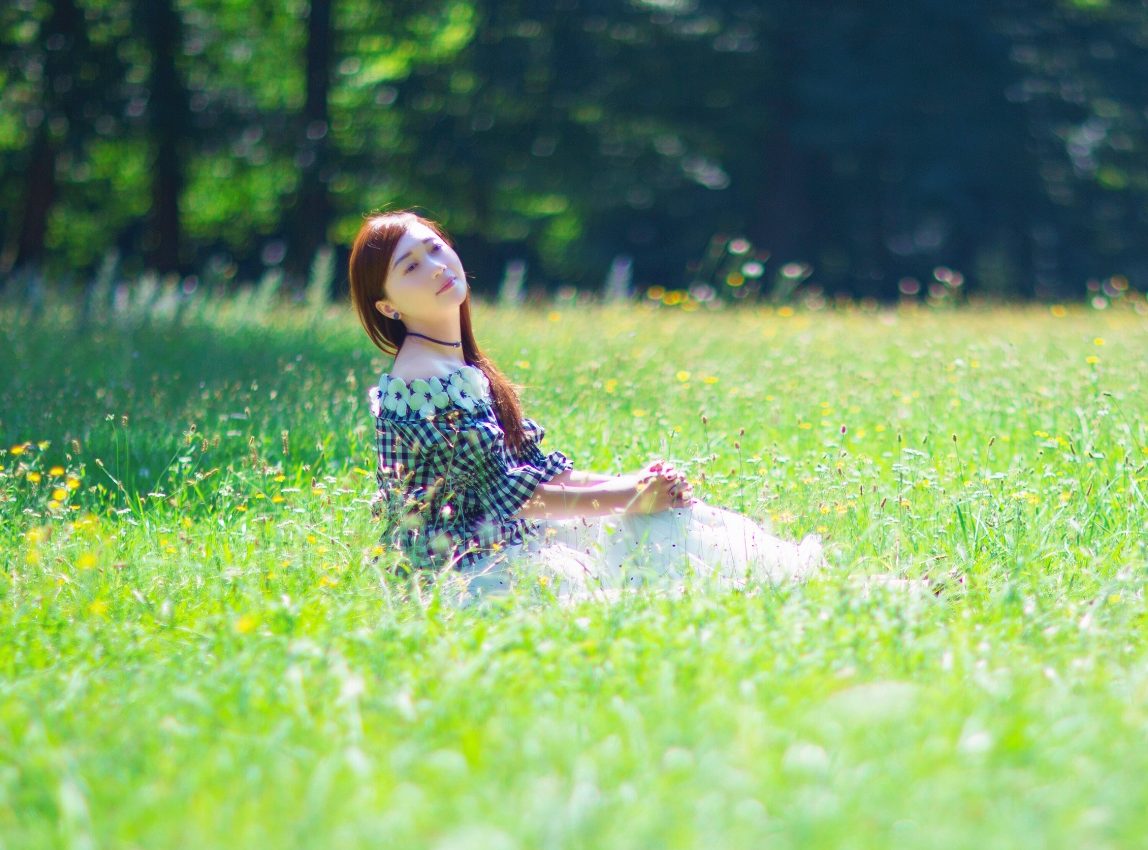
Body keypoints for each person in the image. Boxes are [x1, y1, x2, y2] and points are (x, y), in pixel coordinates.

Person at [348, 211, 823, 600]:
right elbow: (512, 498)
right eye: (410, 267)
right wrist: (629, 497)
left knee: (658, 519)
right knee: (643, 548)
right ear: (387, 306)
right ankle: (773, 592)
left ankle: (783, 585)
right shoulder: (423, 378)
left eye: (433, 247)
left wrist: (635, 483)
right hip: (463, 569)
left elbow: (531, 474)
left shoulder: (454, 363)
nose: (435, 266)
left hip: (502, 538)